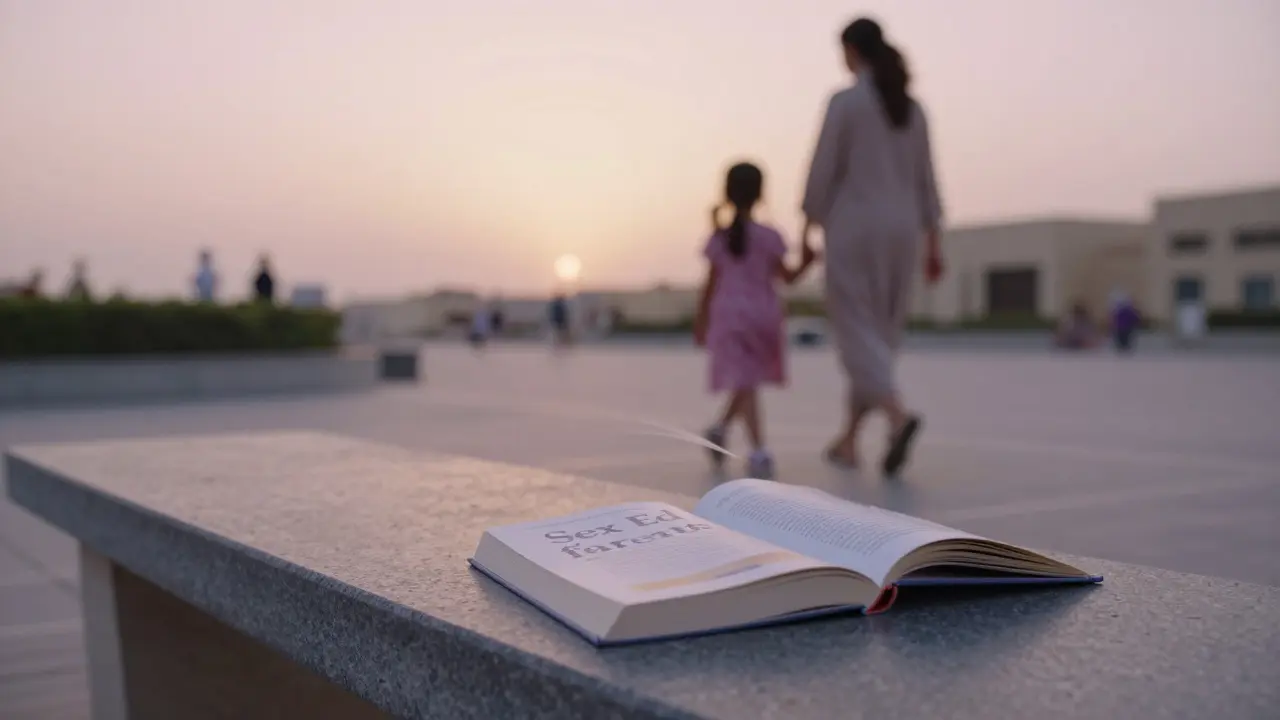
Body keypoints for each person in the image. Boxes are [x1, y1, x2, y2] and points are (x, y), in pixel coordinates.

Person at [800, 17, 944, 476]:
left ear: (852, 51)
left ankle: (897, 416)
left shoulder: (846, 103)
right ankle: (848, 441)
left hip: (854, 227)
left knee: (855, 336)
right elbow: (927, 180)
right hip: (904, 232)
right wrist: (934, 239)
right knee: (878, 338)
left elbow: (824, 169)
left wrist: (808, 223)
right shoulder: (912, 109)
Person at [695, 162, 819, 479]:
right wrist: (808, 262)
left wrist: (702, 320)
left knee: (744, 380)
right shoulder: (769, 236)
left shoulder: (719, 238)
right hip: (763, 314)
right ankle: (754, 445)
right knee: (747, 381)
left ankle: (727, 432)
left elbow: (710, 284)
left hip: (730, 316)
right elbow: (788, 278)